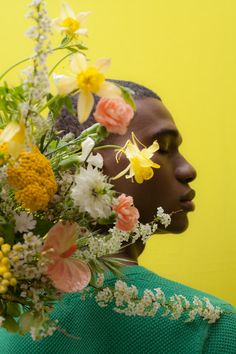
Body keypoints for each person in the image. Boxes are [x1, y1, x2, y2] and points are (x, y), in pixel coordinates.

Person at [0, 80, 235, 353]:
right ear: (85, 165)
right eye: (162, 147)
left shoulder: (11, 324)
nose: (188, 169)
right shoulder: (213, 329)